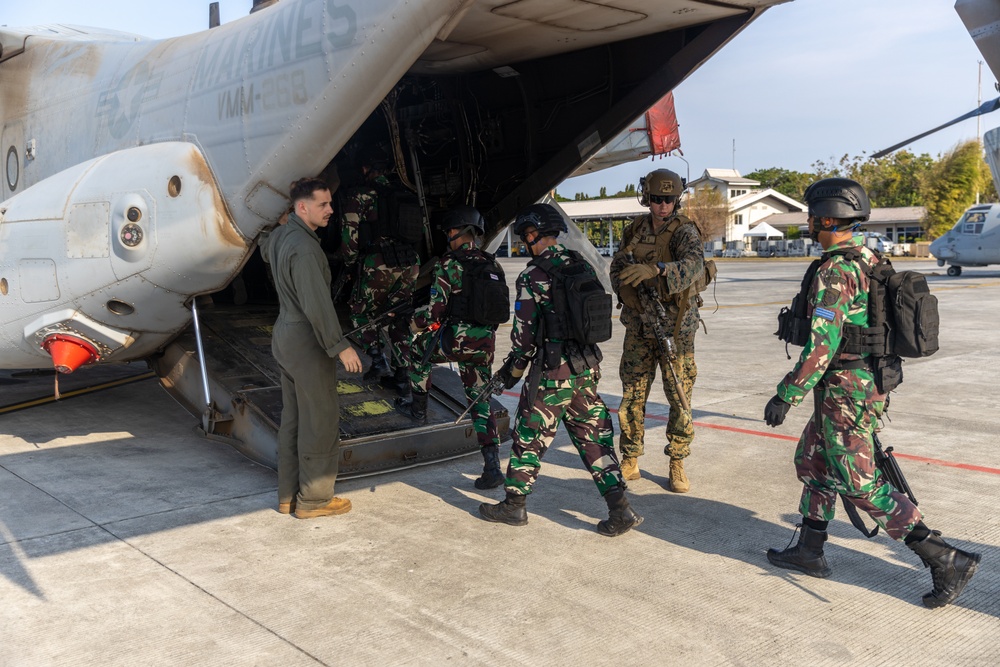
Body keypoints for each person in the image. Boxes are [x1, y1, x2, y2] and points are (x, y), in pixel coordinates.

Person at [763, 177, 980, 608]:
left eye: (811, 215)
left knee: (860, 483)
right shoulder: (867, 257)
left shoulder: (835, 270)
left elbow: (821, 347)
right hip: (858, 385)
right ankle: (810, 551)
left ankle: (944, 557)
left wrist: (786, 394)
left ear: (827, 217)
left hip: (846, 390)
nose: (807, 222)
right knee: (814, 461)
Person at [478, 203, 642, 537]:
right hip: (586, 368)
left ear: (532, 234)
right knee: (594, 439)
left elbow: (523, 337)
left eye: (526, 236)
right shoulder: (579, 263)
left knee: (528, 437)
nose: (526, 241)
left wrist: (510, 373)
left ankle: (513, 506)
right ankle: (620, 510)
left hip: (552, 375)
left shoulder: (532, 276)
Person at [260, 177, 363, 519]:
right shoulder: (305, 249)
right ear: (302, 207)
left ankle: (288, 495)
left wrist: (276, 225)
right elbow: (317, 305)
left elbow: (263, 246)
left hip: (285, 336)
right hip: (306, 340)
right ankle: (315, 499)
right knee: (320, 419)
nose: (331, 210)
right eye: (323, 204)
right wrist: (340, 347)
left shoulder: (281, 237)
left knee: (294, 419)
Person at [396, 206, 507, 489]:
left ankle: (418, 408)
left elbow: (435, 312)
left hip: (455, 341)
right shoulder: (493, 264)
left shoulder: (450, 264)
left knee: (416, 350)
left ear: (460, 232)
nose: (449, 237)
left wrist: (412, 323)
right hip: (484, 344)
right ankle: (492, 466)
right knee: (480, 402)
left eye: (450, 232)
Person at [609, 168, 704, 491]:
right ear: (647, 198)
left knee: (679, 394)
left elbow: (694, 266)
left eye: (668, 200)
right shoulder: (634, 230)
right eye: (657, 199)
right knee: (632, 392)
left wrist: (658, 269)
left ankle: (677, 460)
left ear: (676, 200)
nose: (662, 205)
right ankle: (630, 456)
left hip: (675, 328)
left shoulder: (684, 231)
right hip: (639, 324)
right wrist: (625, 292)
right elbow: (617, 266)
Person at [339, 146, 421, 396]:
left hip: (380, 262)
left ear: (366, 169)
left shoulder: (361, 195)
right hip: (410, 263)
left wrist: (351, 263)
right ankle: (403, 373)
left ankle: (378, 361)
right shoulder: (407, 194)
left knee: (360, 312)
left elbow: (349, 233)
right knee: (398, 316)